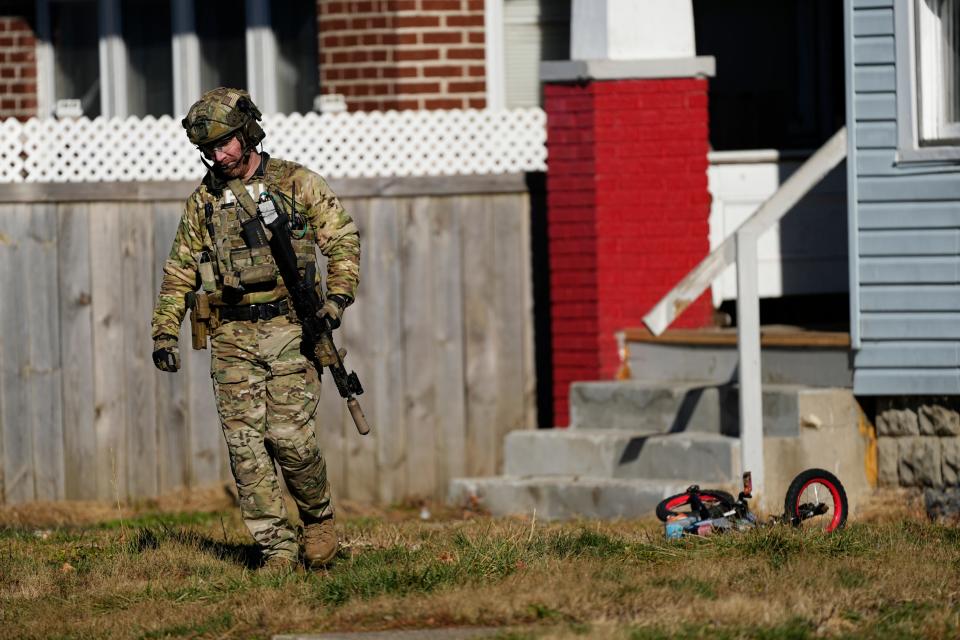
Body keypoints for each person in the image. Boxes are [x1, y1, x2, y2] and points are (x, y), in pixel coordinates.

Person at [150, 87, 360, 572]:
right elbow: (179, 271)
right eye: (207, 149)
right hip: (231, 338)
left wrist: (337, 299)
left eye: (224, 144)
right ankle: (277, 549)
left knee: (290, 438)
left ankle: (318, 520)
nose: (217, 156)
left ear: (247, 135)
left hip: (291, 328)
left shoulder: (296, 183)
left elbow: (343, 241)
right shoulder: (204, 202)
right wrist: (164, 332)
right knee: (246, 450)